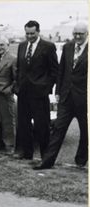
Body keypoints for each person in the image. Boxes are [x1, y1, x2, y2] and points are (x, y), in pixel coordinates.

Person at [33, 23, 88, 170]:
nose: (77, 36)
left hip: (84, 99)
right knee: (58, 129)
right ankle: (47, 162)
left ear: (87, 34)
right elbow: (61, 71)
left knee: (86, 132)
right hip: (66, 98)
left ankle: (80, 162)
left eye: (80, 34)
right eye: (75, 33)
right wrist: (57, 91)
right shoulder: (68, 47)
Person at [14, 20, 58, 160]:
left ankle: (46, 157)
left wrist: (46, 88)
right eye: (27, 33)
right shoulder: (21, 46)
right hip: (23, 93)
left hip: (39, 95)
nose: (30, 36)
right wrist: (17, 86)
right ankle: (27, 154)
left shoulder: (48, 47)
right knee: (24, 126)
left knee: (42, 127)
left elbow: (54, 71)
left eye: (32, 33)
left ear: (38, 32)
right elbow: (20, 69)